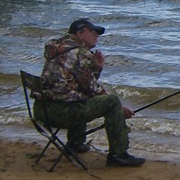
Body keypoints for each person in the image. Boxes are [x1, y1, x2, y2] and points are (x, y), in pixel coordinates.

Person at [34, 17, 145, 168]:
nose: (97, 35)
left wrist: (96, 67)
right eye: (93, 32)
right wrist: (118, 109)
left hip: (41, 110)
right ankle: (118, 154)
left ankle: (75, 143)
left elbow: (81, 84)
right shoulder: (81, 54)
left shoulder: (56, 48)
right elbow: (91, 88)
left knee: (78, 95)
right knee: (112, 101)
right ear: (80, 34)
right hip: (61, 113)